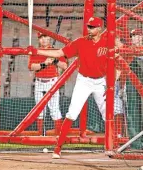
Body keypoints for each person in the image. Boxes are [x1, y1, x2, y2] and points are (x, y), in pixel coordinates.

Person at [28, 16, 117, 159]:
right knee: (72, 113)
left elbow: (117, 58)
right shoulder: (80, 42)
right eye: (89, 26)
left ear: (100, 28)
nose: (89, 29)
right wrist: (37, 52)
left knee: (107, 114)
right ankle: (58, 148)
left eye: (93, 27)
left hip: (101, 82)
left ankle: (111, 146)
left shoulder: (108, 43)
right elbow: (59, 53)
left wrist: (111, 84)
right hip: (84, 81)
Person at [28, 33, 67, 136]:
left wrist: (55, 60)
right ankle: (41, 134)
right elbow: (31, 67)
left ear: (49, 38)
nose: (44, 39)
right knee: (39, 110)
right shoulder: (35, 52)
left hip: (52, 82)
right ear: (38, 39)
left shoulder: (56, 51)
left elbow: (64, 66)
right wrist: (44, 64)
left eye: (46, 37)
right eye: (41, 37)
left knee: (54, 109)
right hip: (39, 82)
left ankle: (59, 135)